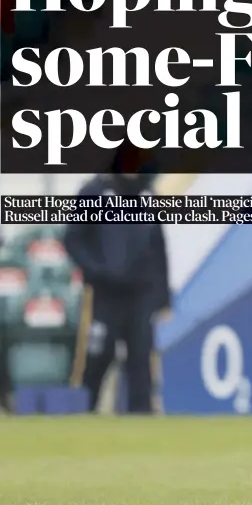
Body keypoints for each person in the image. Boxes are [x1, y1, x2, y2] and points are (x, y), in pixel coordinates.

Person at [65, 172, 171, 414]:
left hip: (141, 294)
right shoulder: (94, 192)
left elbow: (158, 249)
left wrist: (163, 297)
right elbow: (73, 238)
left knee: (141, 357)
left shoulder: (147, 195)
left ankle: (142, 415)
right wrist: (96, 270)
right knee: (98, 354)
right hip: (104, 293)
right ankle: (83, 412)